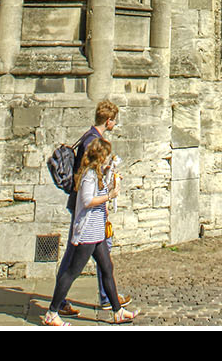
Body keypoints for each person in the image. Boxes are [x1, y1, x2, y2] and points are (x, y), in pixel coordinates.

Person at [43, 138, 133, 326]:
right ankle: (52, 312)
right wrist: (109, 195)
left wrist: (112, 183)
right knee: (72, 272)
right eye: (106, 156)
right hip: (87, 232)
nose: (107, 159)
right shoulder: (89, 175)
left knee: (107, 268)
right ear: (100, 156)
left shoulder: (96, 174)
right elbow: (87, 201)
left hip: (97, 231)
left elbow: (99, 195)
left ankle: (117, 311)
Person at [53, 99, 130, 317]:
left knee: (103, 258)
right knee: (72, 260)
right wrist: (108, 192)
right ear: (108, 120)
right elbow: (89, 176)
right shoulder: (92, 141)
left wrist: (109, 174)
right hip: (86, 210)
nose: (115, 124)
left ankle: (108, 299)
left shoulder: (91, 137)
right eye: (114, 120)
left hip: (90, 208)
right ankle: (58, 304)